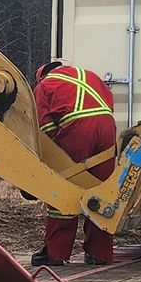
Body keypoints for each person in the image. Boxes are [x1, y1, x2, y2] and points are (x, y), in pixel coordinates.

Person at [32, 59, 119, 267]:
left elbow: (44, 126)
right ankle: (100, 253)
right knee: (101, 191)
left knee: (63, 190)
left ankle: (55, 253)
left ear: (42, 74)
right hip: (107, 128)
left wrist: (55, 154)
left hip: (77, 129)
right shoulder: (90, 76)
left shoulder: (45, 85)